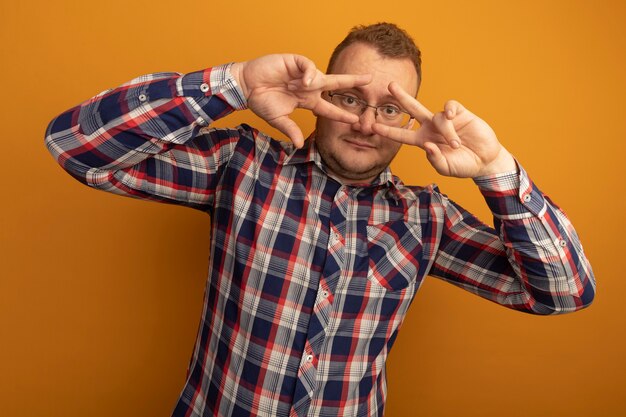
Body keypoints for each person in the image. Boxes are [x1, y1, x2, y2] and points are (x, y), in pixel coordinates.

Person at [45, 22, 595, 417]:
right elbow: (76, 147)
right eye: (351, 98)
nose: (366, 124)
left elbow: (565, 292)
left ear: (409, 117)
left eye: (389, 108)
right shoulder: (243, 164)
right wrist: (232, 82)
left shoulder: (426, 218)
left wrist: (495, 169)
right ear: (317, 94)